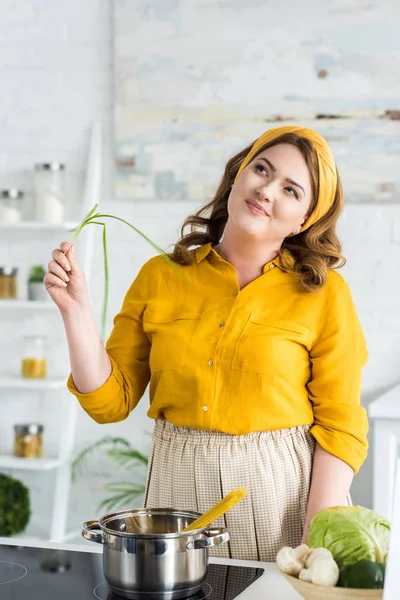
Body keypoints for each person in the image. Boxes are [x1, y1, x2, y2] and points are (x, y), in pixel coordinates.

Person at [45, 125, 368, 562]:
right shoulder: (159, 277)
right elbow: (110, 402)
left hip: (282, 503)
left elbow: (340, 426)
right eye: (261, 169)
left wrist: (315, 537)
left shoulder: (325, 295)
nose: (267, 190)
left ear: (306, 219)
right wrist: (75, 311)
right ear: (238, 174)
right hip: (173, 498)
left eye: (291, 190)